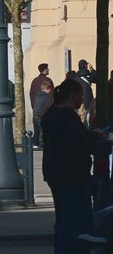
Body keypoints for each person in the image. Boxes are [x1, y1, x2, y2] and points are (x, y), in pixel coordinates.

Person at [42, 78, 92, 254]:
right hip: (72, 174)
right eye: (80, 95)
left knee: (63, 218)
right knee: (73, 220)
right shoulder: (68, 117)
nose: (82, 100)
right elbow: (81, 141)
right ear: (73, 96)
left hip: (55, 172)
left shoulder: (51, 114)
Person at [32, 81, 53, 149]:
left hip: (35, 114)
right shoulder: (46, 96)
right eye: (49, 90)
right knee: (42, 130)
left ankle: (35, 144)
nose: (50, 91)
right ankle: (42, 144)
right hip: (41, 115)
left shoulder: (38, 95)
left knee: (36, 130)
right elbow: (47, 106)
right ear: (46, 89)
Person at [76, 59, 96, 127]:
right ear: (85, 66)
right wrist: (92, 69)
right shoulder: (89, 75)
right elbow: (96, 79)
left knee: (81, 117)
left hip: (79, 100)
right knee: (89, 117)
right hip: (89, 99)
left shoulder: (76, 76)